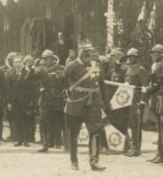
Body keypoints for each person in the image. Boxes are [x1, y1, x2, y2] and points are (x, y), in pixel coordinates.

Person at [64, 43, 110, 171]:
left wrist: (107, 105)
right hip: (76, 103)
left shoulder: (97, 66)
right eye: (87, 54)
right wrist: (67, 92)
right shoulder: (73, 66)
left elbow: (102, 87)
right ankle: (74, 161)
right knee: (74, 133)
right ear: (82, 54)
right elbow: (64, 77)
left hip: (93, 104)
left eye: (91, 54)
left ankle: (94, 161)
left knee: (95, 131)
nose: (90, 57)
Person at [34, 50, 65, 152]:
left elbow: (65, 82)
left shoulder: (61, 68)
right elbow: (31, 80)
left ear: (53, 58)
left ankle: (59, 143)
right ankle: (45, 144)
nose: (46, 61)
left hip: (57, 98)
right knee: (43, 121)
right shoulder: (41, 69)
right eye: (44, 59)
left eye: (48, 58)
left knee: (58, 121)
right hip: (45, 98)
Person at [122, 48, 150, 158]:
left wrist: (143, 101)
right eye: (129, 57)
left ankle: (137, 148)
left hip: (137, 99)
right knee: (131, 123)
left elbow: (145, 87)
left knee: (136, 124)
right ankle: (132, 147)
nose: (130, 59)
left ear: (136, 58)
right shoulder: (129, 69)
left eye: (132, 57)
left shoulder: (141, 70)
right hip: (129, 99)